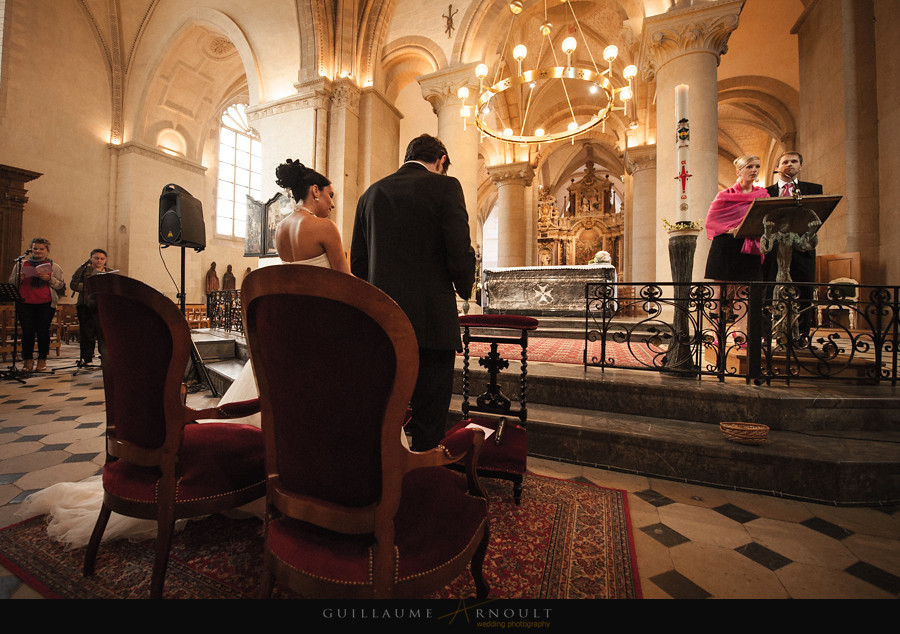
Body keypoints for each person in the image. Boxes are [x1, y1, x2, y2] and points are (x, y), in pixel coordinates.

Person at [351, 134, 476, 451]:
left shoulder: (370, 194)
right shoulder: (446, 187)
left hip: (383, 324)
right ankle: (423, 477)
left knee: (385, 411)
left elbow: (359, 264)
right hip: (432, 323)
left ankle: (384, 478)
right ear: (441, 161)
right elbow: (459, 250)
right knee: (429, 417)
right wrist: (465, 288)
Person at [218, 159, 348, 409]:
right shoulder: (325, 227)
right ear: (314, 191)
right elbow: (344, 281)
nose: (332, 203)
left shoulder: (280, 229)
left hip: (289, 318)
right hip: (321, 319)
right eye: (330, 195)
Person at [703, 155, 770, 343]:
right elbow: (712, 221)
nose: (754, 170)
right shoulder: (724, 195)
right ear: (738, 171)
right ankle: (715, 330)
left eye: (757, 166)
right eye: (749, 166)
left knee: (743, 291)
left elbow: (767, 219)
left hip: (750, 246)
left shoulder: (763, 195)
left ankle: (740, 332)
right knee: (718, 289)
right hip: (726, 244)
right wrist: (729, 229)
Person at [762, 151, 823, 336]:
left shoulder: (813, 190)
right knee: (768, 290)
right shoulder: (766, 192)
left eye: (794, 161)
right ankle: (766, 336)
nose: (790, 165)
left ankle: (801, 335)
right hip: (774, 251)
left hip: (801, 249)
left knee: (803, 291)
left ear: (801, 166)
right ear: (777, 167)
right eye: (785, 161)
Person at [8, 237, 66, 372]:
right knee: (27, 332)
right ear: (31, 249)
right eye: (35, 248)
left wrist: (49, 279)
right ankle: (27, 361)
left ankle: (42, 360)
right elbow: (11, 282)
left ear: (46, 251)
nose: (38, 251)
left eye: (41, 249)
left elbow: (60, 285)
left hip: (45, 303)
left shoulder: (54, 266)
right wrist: (18, 278)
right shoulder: (21, 264)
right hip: (25, 302)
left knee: (42, 332)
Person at [69, 248, 112, 366]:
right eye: (96, 258)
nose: (99, 261)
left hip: (103, 306)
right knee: (87, 333)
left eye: (102, 259)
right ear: (91, 258)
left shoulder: (110, 271)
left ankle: (105, 358)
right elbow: (73, 285)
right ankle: (87, 358)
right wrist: (90, 285)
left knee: (103, 333)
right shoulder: (83, 271)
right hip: (86, 305)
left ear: (105, 260)